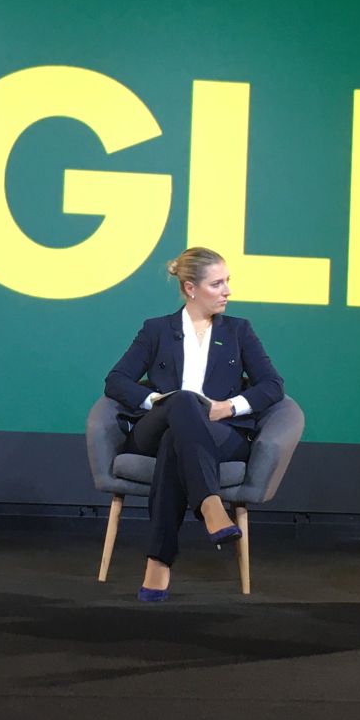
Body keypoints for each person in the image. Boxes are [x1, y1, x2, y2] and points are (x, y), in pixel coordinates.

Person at [104, 248, 285, 602]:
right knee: (183, 402)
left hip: (218, 431)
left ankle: (158, 561)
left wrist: (228, 408)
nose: (227, 291)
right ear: (190, 288)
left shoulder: (239, 331)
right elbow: (116, 381)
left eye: (227, 281)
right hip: (154, 428)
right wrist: (161, 401)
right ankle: (209, 504)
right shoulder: (157, 330)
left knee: (176, 441)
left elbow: (272, 385)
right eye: (217, 284)